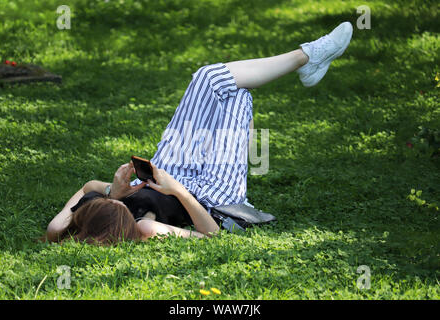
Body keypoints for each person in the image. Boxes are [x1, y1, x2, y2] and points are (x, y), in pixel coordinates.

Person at [46, 22, 353, 244]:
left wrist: (117, 191)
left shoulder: (70, 222)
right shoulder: (145, 229)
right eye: (117, 207)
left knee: (211, 78)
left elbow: (87, 189)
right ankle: (308, 57)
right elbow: (212, 235)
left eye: (105, 204)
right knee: (237, 94)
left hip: (161, 174)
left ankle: (307, 57)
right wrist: (176, 190)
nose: (110, 202)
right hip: (209, 196)